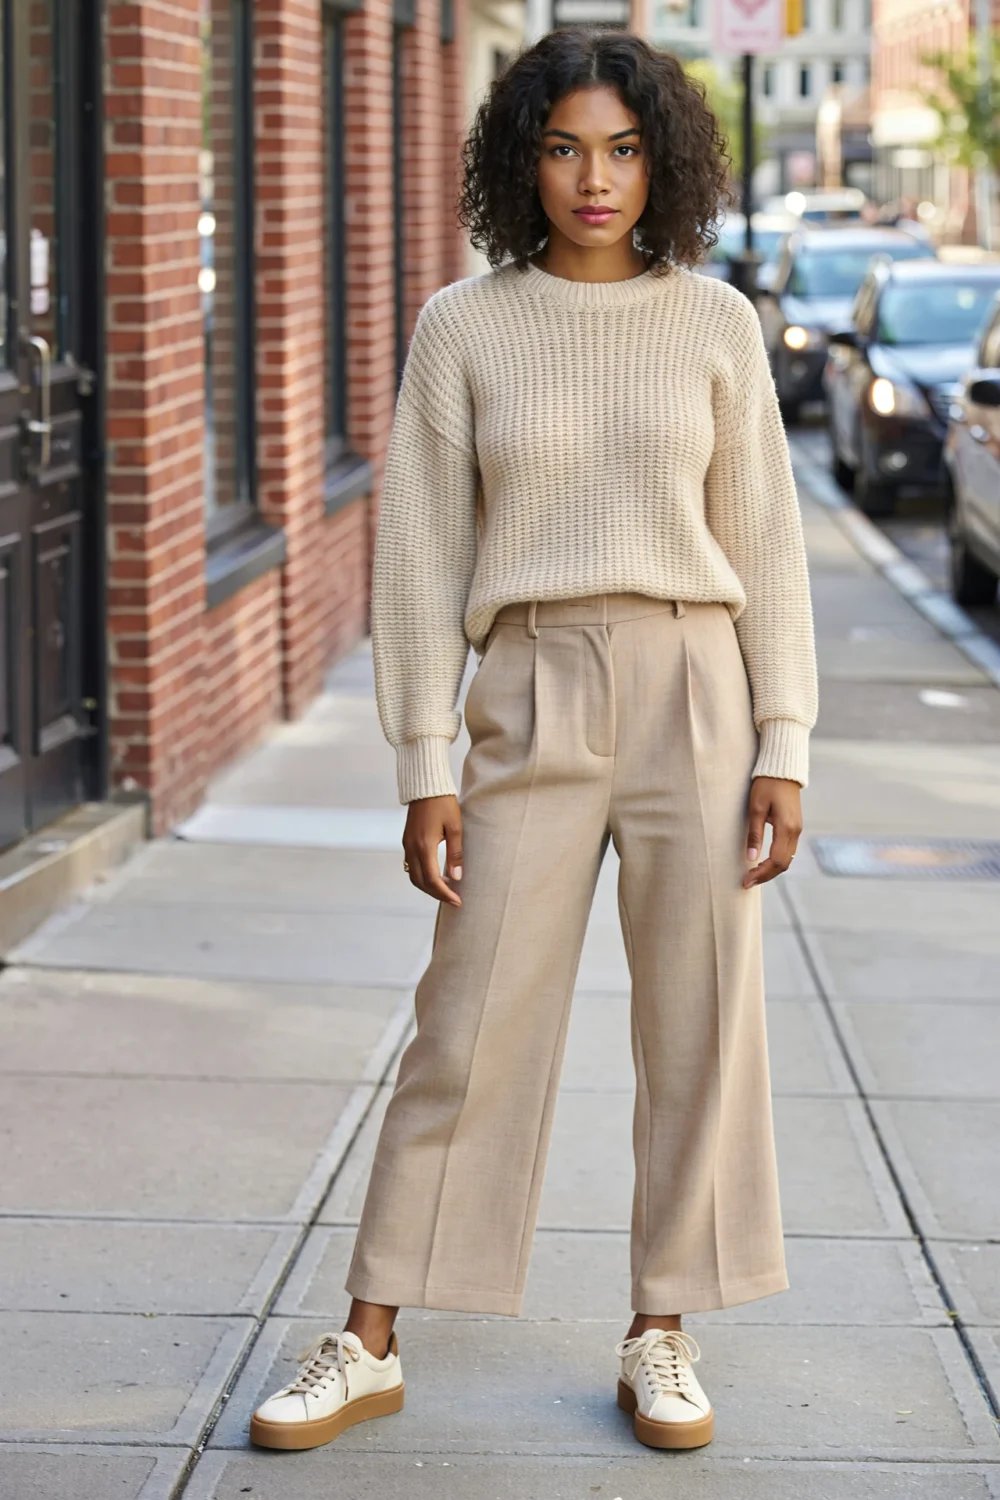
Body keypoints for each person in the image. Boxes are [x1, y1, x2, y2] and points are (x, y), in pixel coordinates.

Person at [249, 26, 817, 1456]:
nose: (594, 177)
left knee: (699, 1021)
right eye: (564, 146)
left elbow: (770, 544)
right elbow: (423, 559)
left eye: (623, 148)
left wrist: (783, 738)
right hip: (532, 680)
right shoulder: (465, 326)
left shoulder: (716, 326)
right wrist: (423, 763)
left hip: (696, 676)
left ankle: (663, 1326)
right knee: (470, 1017)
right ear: (523, 158)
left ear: (662, 163)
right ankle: (370, 1334)